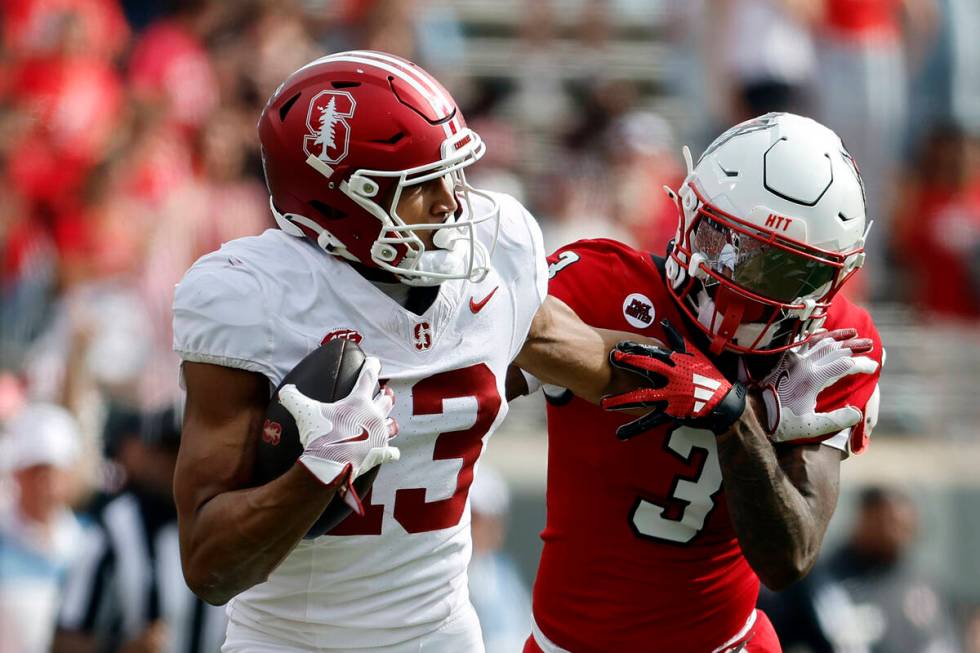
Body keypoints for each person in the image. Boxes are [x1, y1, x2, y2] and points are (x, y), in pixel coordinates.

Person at [171, 50, 660, 652]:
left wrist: (741, 377)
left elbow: (599, 363)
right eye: (420, 184)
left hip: (441, 635)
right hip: (292, 642)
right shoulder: (255, 298)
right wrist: (320, 468)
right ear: (338, 202)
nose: (452, 202)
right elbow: (209, 567)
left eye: (452, 173)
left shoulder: (493, 252)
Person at [521, 112, 884, 653]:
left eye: (782, 271)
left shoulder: (834, 346)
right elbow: (467, 369)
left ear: (832, 278)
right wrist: (761, 414)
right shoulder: (597, 283)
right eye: (727, 245)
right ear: (689, 211)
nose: (741, 287)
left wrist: (734, 416)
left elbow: (791, 555)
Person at [53, 405, 226, 653]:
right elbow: (66, 639)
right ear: (149, 456)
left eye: (189, 451)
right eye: (170, 450)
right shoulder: (113, 528)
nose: (178, 463)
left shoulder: (225, 524)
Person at [0, 403, 82, 653]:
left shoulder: (86, 542)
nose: (45, 483)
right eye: (35, 471)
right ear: (17, 475)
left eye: (53, 472)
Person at [467, 465, 533, 653]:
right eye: (476, 517)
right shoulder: (448, 575)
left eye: (495, 518)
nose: (489, 528)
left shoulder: (504, 571)